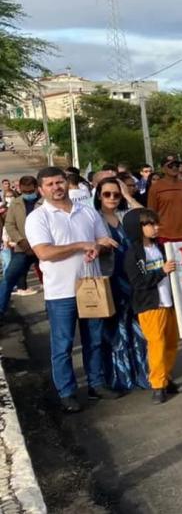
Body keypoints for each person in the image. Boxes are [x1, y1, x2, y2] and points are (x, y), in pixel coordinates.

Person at [25, 167, 121, 412]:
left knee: (95, 340)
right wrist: (81, 245)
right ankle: (66, 392)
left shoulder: (87, 212)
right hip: (60, 292)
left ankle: (96, 384)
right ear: (41, 190)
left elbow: (104, 242)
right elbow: (44, 252)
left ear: (67, 183)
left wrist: (98, 248)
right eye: (50, 184)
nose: (56, 187)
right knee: (63, 344)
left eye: (59, 182)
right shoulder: (38, 218)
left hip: (91, 285)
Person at [123, 208, 182, 404]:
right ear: (138, 227)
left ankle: (166, 378)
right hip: (150, 306)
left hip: (169, 302)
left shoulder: (162, 247)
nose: (156, 227)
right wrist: (162, 271)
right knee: (157, 344)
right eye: (150, 224)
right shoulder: (132, 254)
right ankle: (158, 385)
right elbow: (138, 283)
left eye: (156, 223)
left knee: (171, 343)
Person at [93, 178, 149, 392]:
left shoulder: (125, 216)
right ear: (99, 195)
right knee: (114, 329)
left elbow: (148, 215)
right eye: (107, 194)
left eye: (116, 194)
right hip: (109, 279)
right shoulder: (93, 218)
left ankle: (143, 374)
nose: (112, 198)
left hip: (133, 279)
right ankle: (119, 378)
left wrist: (127, 195)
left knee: (137, 328)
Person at [0, 177, 41, 316]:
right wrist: (22, 242)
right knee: (8, 279)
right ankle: (0, 310)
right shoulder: (16, 204)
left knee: (52, 280)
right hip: (22, 249)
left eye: (31, 191)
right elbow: (9, 225)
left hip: (44, 248)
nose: (28, 194)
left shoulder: (45, 202)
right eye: (25, 191)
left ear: (36, 188)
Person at [147, 157, 182, 243]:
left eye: (176, 165)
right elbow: (151, 213)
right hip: (164, 236)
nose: (174, 168)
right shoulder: (155, 188)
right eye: (170, 165)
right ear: (163, 169)